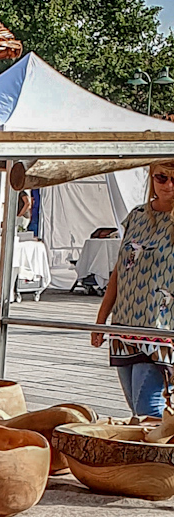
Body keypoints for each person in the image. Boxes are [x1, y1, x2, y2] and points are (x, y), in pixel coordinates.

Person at [91, 160, 174, 417]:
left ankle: (158, 457)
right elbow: (119, 270)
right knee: (136, 408)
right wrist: (101, 319)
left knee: (148, 408)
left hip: (162, 328)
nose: (169, 185)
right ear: (152, 178)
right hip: (125, 324)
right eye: (162, 178)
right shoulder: (136, 216)